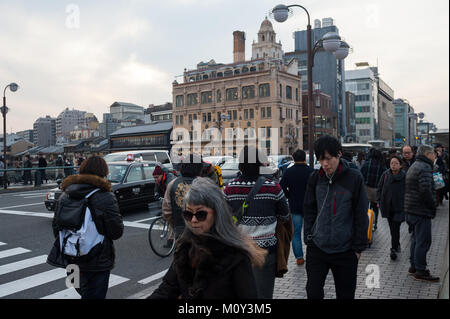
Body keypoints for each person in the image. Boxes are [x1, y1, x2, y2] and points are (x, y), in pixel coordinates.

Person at [149, 177, 266, 299]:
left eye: (201, 214)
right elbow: (167, 289)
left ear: (217, 214)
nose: (193, 220)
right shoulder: (184, 247)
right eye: (188, 214)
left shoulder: (235, 255)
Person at [47, 155, 124, 299]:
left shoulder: (65, 195)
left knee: (81, 291)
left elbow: (56, 227)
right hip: (97, 263)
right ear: (103, 171)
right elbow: (116, 232)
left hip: (71, 260)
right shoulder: (105, 196)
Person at [303, 135, 369, 300]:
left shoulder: (354, 178)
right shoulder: (315, 178)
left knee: (346, 295)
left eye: (328, 158)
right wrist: (308, 238)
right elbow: (309, 210)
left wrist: (357, 248)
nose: (325, 164)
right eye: (320, 159)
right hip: (317, 248)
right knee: (313, 292)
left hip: (346, 250)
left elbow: (361, 213)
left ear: (339, 154)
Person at [224, 145, 291, 299]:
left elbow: (224, 219)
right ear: (261, 164)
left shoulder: (229, 189)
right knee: (263, 296)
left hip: (239, 251)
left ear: (240, 165)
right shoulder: (273, 187)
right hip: (265, 252)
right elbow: (285, 215)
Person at [404, 145, 440, 282]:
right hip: (420, 210)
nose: (435, 156)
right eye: (433, 153)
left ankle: (413, 267)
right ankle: (420, 270)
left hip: (411, 209)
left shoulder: (415, 165)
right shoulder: (425, 167)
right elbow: (425, 190)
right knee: (423, 241)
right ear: (427, 154)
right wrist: (433, 205)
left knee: (415, 239)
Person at [280, 149, 314, 266]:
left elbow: (281, 188)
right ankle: (313, 255)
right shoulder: (311, 171)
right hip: (310, 206)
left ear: (293, 159)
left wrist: (290, 196)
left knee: (296, 233)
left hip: (295, 206)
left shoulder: (288, 172)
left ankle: (299, 258)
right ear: (305, 157)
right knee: (312, 231)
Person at [162, 154, 204, 239]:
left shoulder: (172, 184)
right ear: (199, 168)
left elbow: (166, 211)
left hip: (180, 230)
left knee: (181, 251)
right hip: (201, 230)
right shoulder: (204, 184)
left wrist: (175, 224)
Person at [376, 155, 406, 261]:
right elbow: (379, 188)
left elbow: (408, 191)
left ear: (400, 165)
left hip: (399, 207)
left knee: (395, 227)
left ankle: (393, 249)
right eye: (392, 163)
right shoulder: (385, 175)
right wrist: (379, 201)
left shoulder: (404, 176)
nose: (393, 165)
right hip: (388, 207)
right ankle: (396, 243)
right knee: (392, 228)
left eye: (396, 163)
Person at [360, 148, 386, 230]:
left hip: (366, 188)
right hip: (376, 190)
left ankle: (366, 222)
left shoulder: (366, 164)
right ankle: (374, 223)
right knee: (375, 208)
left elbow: (361, 176)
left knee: (366, 207)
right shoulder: (382, 165)